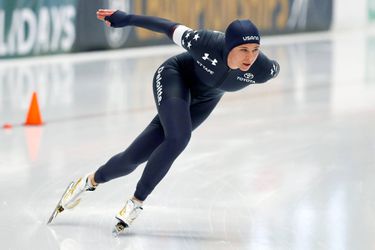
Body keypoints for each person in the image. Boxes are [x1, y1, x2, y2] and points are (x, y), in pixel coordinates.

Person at [51, 9, 280, 233]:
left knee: (132, 158)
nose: (250, 57)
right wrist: (126, 19)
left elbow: (274, 68)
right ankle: (136, 202)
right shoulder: (205, 41)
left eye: (255, 49)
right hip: (175, 77)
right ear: (228, 46)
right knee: (179, 137)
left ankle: (88, 181)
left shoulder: (263, 69)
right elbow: (166, 26)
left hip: (206, 100)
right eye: (243, 50)